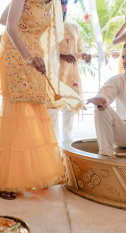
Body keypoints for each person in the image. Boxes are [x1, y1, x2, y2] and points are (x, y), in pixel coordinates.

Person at [0, 0, 85, 199]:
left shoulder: (53, 4)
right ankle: (10, 179)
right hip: (18, 56)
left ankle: (36, 173)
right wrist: (28, 57)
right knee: (17, 111)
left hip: (37, 56)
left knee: (36, 110)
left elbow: (7, 22)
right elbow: (9, 26)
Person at [47, 1, 92, 142]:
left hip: (72, 79)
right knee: (52, 114)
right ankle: (54, 150)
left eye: (65, 11)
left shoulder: (74, 28)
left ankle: (67, 148)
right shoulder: (48, 27)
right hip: (55, 77)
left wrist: (84, 56)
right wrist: (61, 56)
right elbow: (43, 51)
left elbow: (78, 52)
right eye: (61, 11)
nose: (63, 14)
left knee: (69, 115)